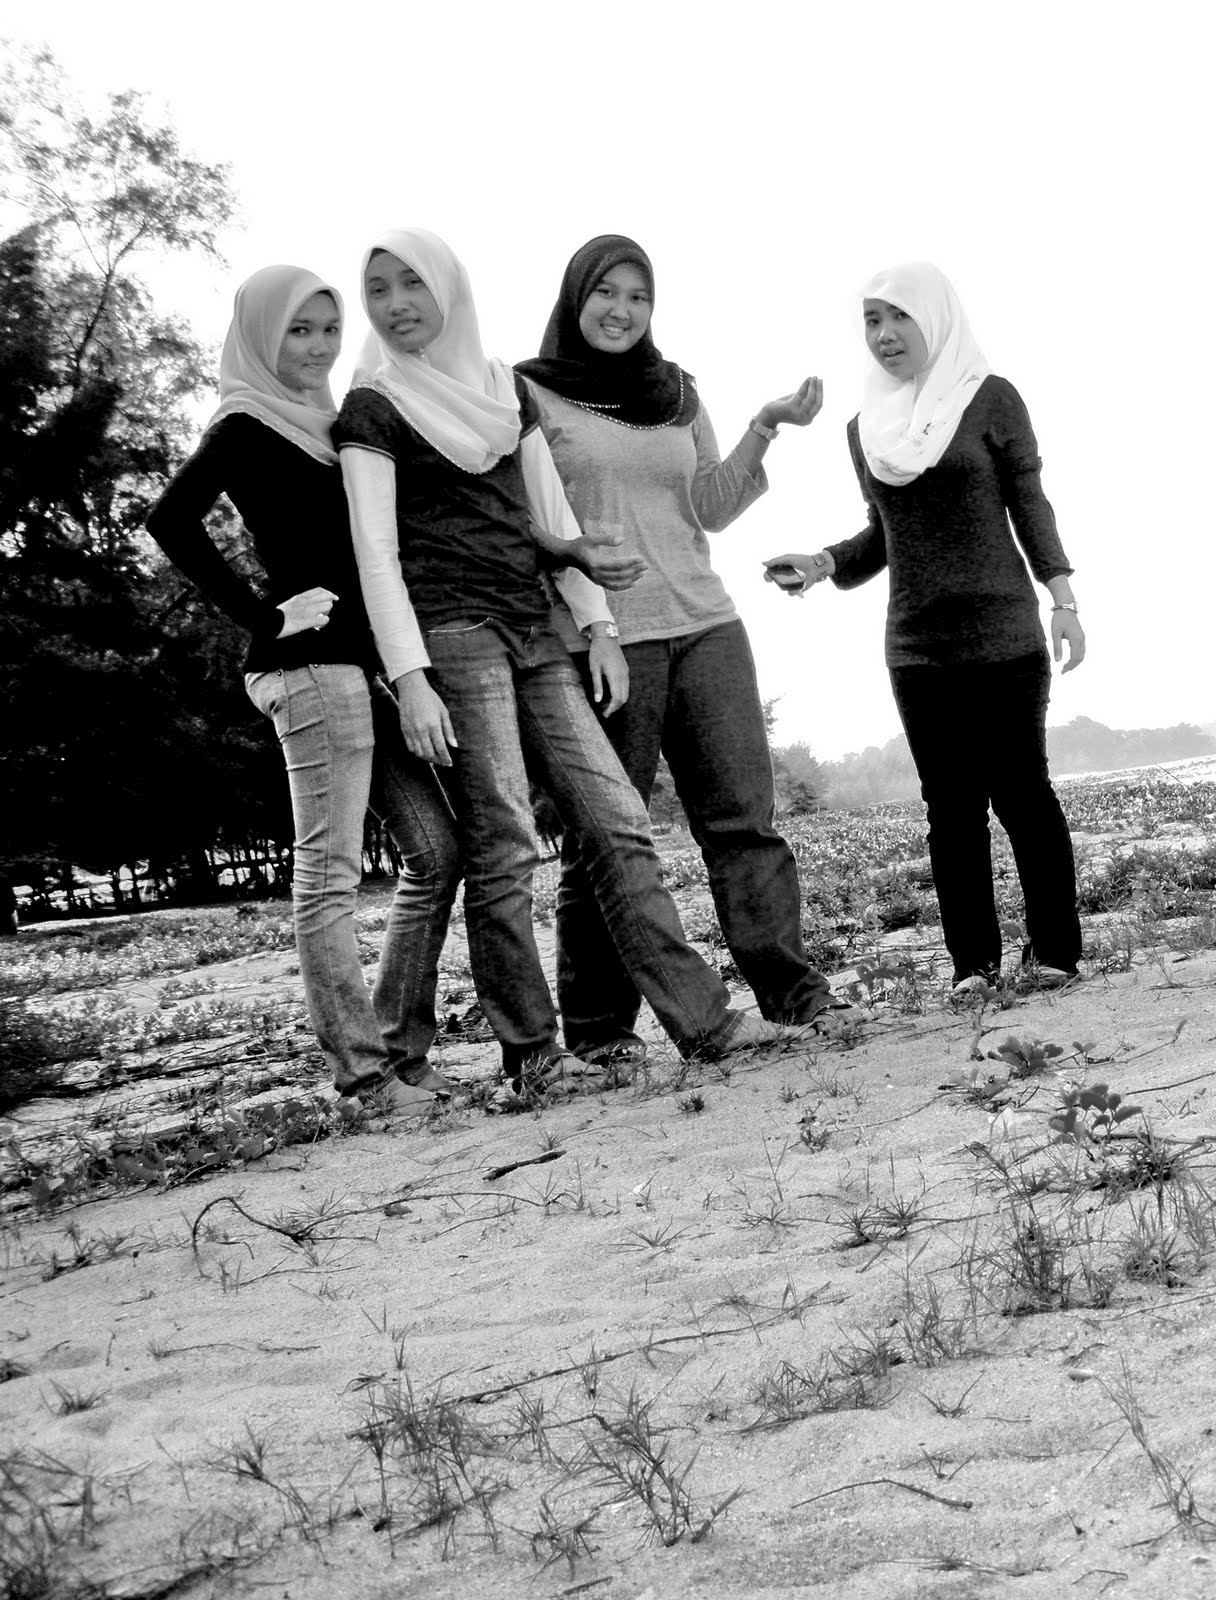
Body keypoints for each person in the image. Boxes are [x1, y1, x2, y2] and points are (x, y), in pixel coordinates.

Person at [333, 228, 790, 1102]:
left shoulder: (501, 389)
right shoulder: (372, 407)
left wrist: (601, 625)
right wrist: (411, 675)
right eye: (378, 288)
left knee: (618, 819)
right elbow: (375, 555)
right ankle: (533, 1055)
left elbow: (552, 517)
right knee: (504, 841)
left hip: (537, 634)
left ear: (449, 291)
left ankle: (705, 1024)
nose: (396, 304)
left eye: (412, 284)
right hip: (452, 637)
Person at [515, 234, 843, 1067]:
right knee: (607, 839)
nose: (621, 310)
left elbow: (711, 506)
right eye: (605, 292)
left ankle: (795, 997)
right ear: (575, 297)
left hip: (707, 625)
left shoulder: (677, 390)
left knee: (744, 823)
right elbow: (525, 521)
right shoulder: (530, 393)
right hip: (605, 639)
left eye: (639, 296)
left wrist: (765, 427)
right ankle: (599, 1030)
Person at [147, 265, 460, 1112]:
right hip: (309, 671)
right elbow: (169, 520)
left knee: (437, 852)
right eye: (298, 330)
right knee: (327, 875)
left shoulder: (328, 424)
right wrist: (264, 616)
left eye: (328, 329)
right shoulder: (245, 423)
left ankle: (399, 1052)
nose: (318, 347)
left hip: (360, 669)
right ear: (260, 334)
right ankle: (363, 1078)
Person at [766, 262, 1084, 994]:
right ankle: (974, 967)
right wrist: (822, 563)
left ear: (934, 318)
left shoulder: (990, 398)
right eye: (871, 320)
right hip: (916, 646)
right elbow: (885, 533)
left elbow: (1030, 503)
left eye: (899, 316)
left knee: (1023, 794)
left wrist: (1063, 599)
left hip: (1005, 634)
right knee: (951, 807)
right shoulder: (864, 429)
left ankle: (1056, 952)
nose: (884, 334)